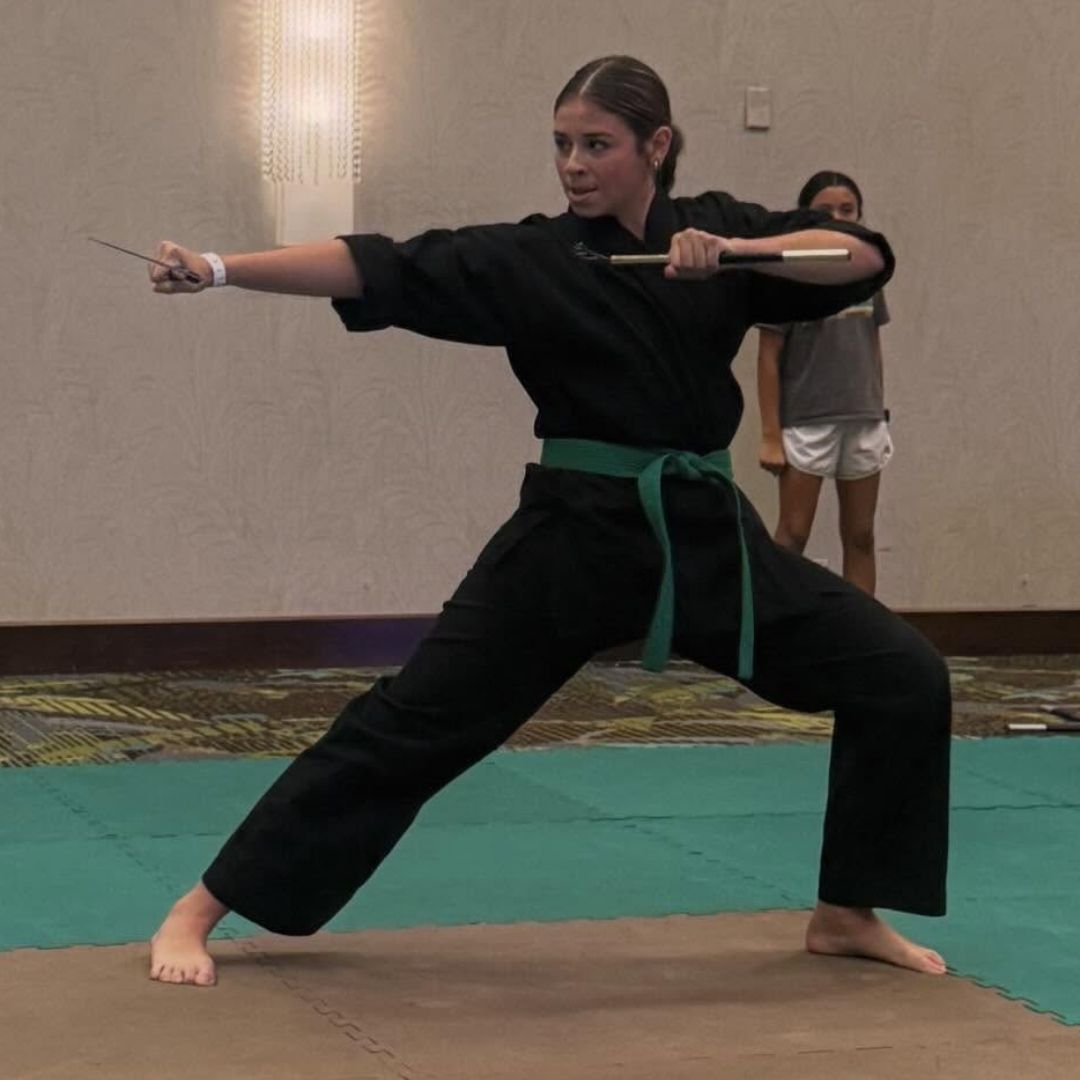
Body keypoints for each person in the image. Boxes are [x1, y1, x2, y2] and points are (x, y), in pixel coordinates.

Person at [146, 56, 951, 987]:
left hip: (701, 535)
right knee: (414, 720)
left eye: (597, 145)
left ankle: (848, 910)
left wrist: (734, 257)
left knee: (903, 674)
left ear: (657, 146)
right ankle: (199, 906)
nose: (573, 164)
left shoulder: (718, 232)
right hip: (574, 537)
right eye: (563, 145)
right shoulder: (529, 257)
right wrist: (217, 269)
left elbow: (862, 255)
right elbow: (379, 265)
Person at [756, 171, 891, 595]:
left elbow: (872, 345)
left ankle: (863, 638)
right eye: (824, 211)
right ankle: (771, 632)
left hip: (864, 419)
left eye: (847, 210)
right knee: (792, 536)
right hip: (806, 423)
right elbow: (768, 359)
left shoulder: (869, 274)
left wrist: (878, 408)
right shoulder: (788, 276)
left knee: (861, 536)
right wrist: (770, 436)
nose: (837, 217)